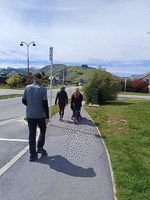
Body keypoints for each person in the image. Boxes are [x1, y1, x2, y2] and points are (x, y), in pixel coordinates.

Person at [22, 73, 49, 162]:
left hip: (30, 115)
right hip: (40, 115)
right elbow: (45, 104)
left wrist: (30, 106)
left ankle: (32, 154)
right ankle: (40, 147)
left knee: (31, 133)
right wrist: (47, 116)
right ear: (40, 79)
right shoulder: (43, 89)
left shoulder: (27, 87)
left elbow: (23, 100)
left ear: (34, 79)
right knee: (43, 129)